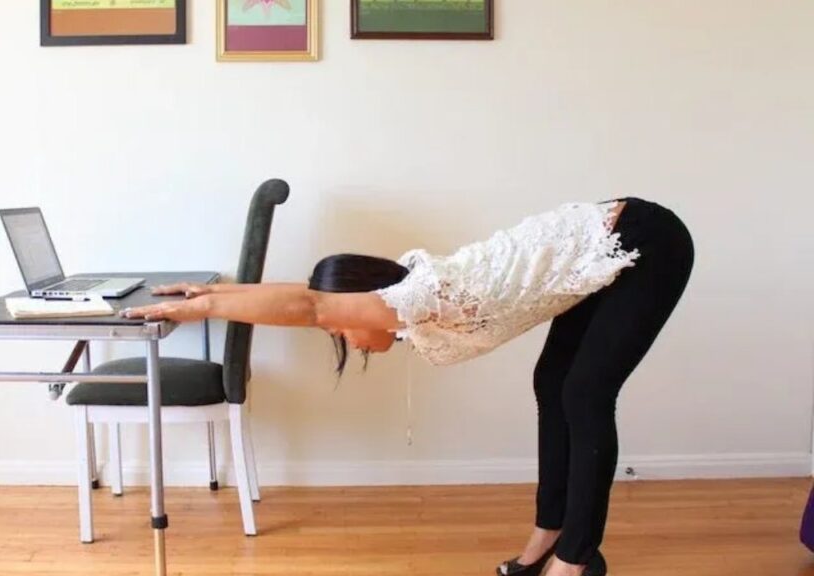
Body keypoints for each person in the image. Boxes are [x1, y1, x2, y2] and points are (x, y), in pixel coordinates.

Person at [122, 197, 695, 576]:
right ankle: (549, 534)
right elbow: (307, 292)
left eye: (342, 325)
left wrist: (210, 309)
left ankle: (577, 558)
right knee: (554, 384)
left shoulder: (422, 296)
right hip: (596, 248)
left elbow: (311, 305)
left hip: (644, 241)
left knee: (585, 393)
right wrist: (203, 296)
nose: (343, 334)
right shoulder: (410, 295)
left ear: (366, 301)